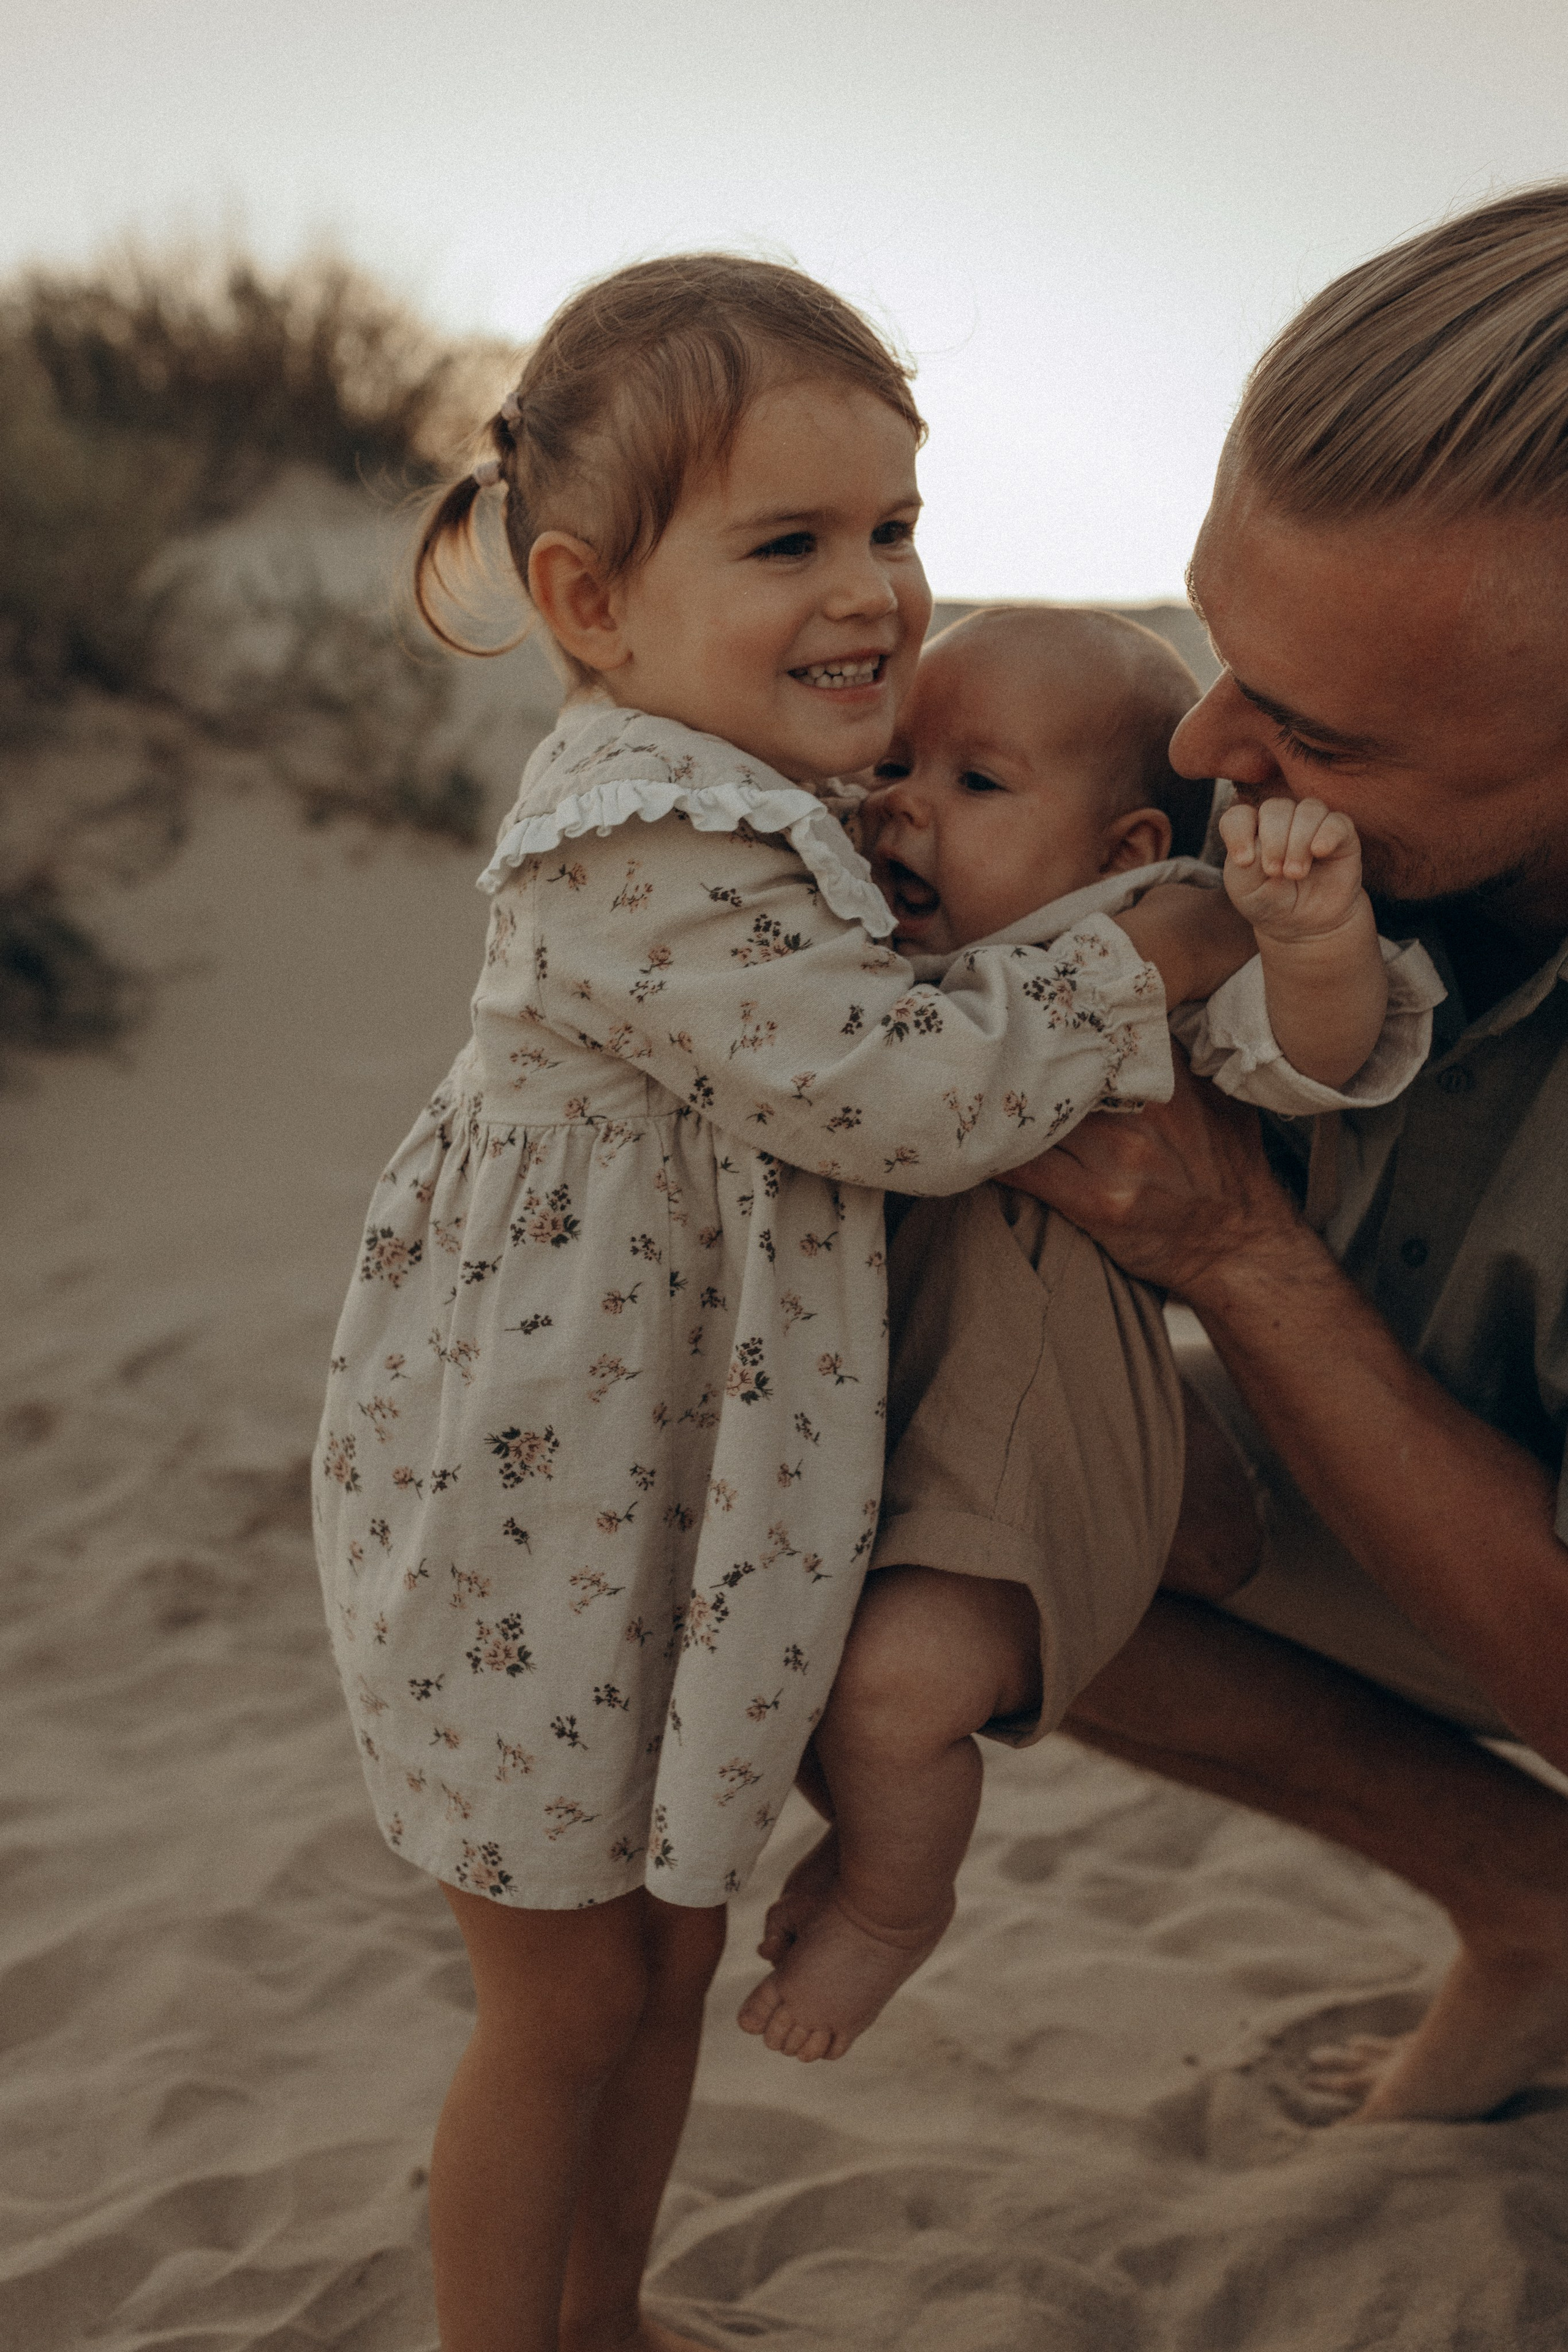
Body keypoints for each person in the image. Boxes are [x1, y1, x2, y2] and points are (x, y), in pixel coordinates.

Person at [312, 255, 1256, 2352]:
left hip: (682, 1522)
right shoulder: (632, 844)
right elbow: (912, 1091)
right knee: (559, 2003)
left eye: (895, 531)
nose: (873, 593)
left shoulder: (786, 811)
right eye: (790, 542)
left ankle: (608, 2316)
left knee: (659, 1965)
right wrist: (1141, 952)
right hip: (536, 1534)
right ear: (589, 606)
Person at [739, 602, 1443, 2062]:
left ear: (1125, 852)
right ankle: (855, 1837)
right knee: (794, 1670)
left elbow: (1305, 1060)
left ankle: (891, 1903)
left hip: (1029, 1441)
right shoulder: (891, 960)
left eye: (974, 784)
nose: (902, 809)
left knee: (895, 1689)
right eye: (902, 764)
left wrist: (1306, 935)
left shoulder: (1133, 954)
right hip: (890, 1423)